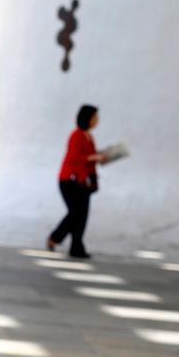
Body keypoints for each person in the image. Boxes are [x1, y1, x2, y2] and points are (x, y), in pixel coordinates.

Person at [47, 104, 107, 259]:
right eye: (94, 117)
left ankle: (76, 246)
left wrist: (101, 157)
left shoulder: (89, 137)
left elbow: (89, 158)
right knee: (75, 213)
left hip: (84, 181)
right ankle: (54, 238)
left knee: (82, 215)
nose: (97, 120)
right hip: (69, 180)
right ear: (87, 118)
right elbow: (75, 158)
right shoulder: (77, 135)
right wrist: (95, 157)